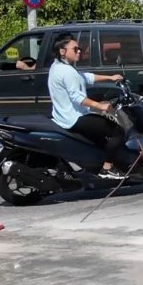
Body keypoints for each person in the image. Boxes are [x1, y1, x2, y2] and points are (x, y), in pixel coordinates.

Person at [47, 33, 128, 180]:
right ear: (62, 51)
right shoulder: (67, 71)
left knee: (101, 136)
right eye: (75, 49)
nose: (79, 51)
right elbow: (77, 97)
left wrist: (110, 77)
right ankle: (107, 169)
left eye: (79, 48)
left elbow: (85, 77)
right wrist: (100, 106)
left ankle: (98, 164)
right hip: (74, 118)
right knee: (117, 132)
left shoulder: (58, 66)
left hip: (63, 117)